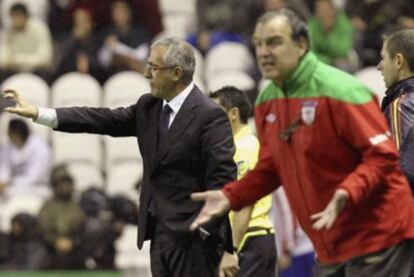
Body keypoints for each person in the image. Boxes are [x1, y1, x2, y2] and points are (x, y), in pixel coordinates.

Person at [190, 9, 414, 277]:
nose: (263, 52)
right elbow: (272, 166)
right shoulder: (266, 101)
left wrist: (347, 191)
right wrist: (231, 196)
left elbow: (383, 157)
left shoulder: (343, 90)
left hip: (380, 236)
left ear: (301, 45)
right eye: (258, 43)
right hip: (330, 243)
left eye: (274, 42)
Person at [3, 37, 237, 277]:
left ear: (177, 73)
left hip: (197, 242)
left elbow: (224, 184)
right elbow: (100, 119)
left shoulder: (210, 117)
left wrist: (225, 245)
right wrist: (39, 113)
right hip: (160, 237)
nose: (146, 74)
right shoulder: (149, 107)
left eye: (153, 67)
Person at [210, 86, 276, 277]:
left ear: (233, 114)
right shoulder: (236, 146)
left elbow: (245, 200)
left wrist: (233, 249)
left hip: (249, 240)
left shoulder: (244, 148)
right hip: (248, 240)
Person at [378, 29, 414, 192]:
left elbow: (400, 171)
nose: (379, 66)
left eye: (384, 57)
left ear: (398, 61)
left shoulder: (401, 106)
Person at [37, 173, 86, 269]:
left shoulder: (77, 206)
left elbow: (82, 228)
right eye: (63, 183)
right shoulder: (48, 206)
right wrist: (55, 241)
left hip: (74, 245)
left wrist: (72, 241)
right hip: (51, 246)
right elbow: (43, 228)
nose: (66, 187)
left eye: (69, 184)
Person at [0, 118, 52, 200]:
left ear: (19, 134)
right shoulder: (8, 147)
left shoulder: (39, 147)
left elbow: (35, 176)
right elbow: (4, 168)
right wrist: (3, 181)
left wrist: (10, 182)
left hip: (37, 188)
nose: (10, 137)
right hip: (12, 188)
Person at [0, 2, 53, 81]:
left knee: (44, 72)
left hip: (34, 69)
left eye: (18, 16)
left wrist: (18, 60)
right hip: (15, 70)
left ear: (25, 16)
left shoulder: (40, 28)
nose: (15, 20)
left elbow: (45, 58)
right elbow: (2, 57)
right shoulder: (8, 30)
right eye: (13, 16)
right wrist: (9, 61)